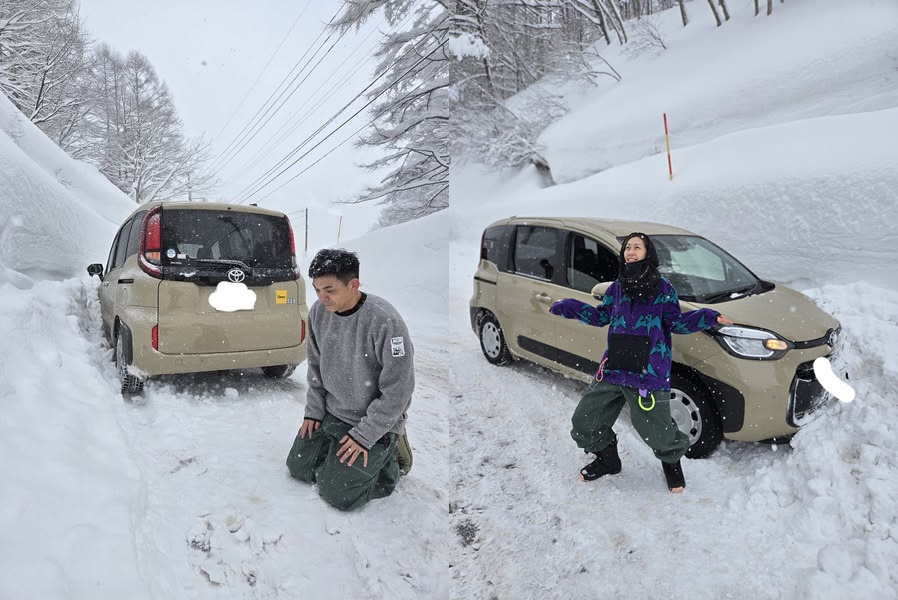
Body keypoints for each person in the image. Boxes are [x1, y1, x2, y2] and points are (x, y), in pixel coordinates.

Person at [549, 232, 733, 493]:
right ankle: (608, 460)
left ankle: (672, 463)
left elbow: (677, 323)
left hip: (648, 372)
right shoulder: (616, 287)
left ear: (648, 254)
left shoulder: (663, 288)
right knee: (584, 422)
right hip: (614, 368)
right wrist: (567, 306)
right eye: (628, 247)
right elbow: (601, 317)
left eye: (637, 247)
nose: (631, 251)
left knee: (658, 432)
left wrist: (709, 317)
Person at [285, 248, 415, 511]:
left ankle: (391, 457)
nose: (321, 297)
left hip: (373, 420)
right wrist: (313, 412)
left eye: (329, 290)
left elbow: (399, 391)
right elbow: (315, 368)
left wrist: (364, 436)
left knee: (338, 494)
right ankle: (339, 453)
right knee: (298, 468)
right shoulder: (318, 313)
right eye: (317, 289)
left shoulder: (386, 321)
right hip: (333, 413)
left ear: (353, 284)